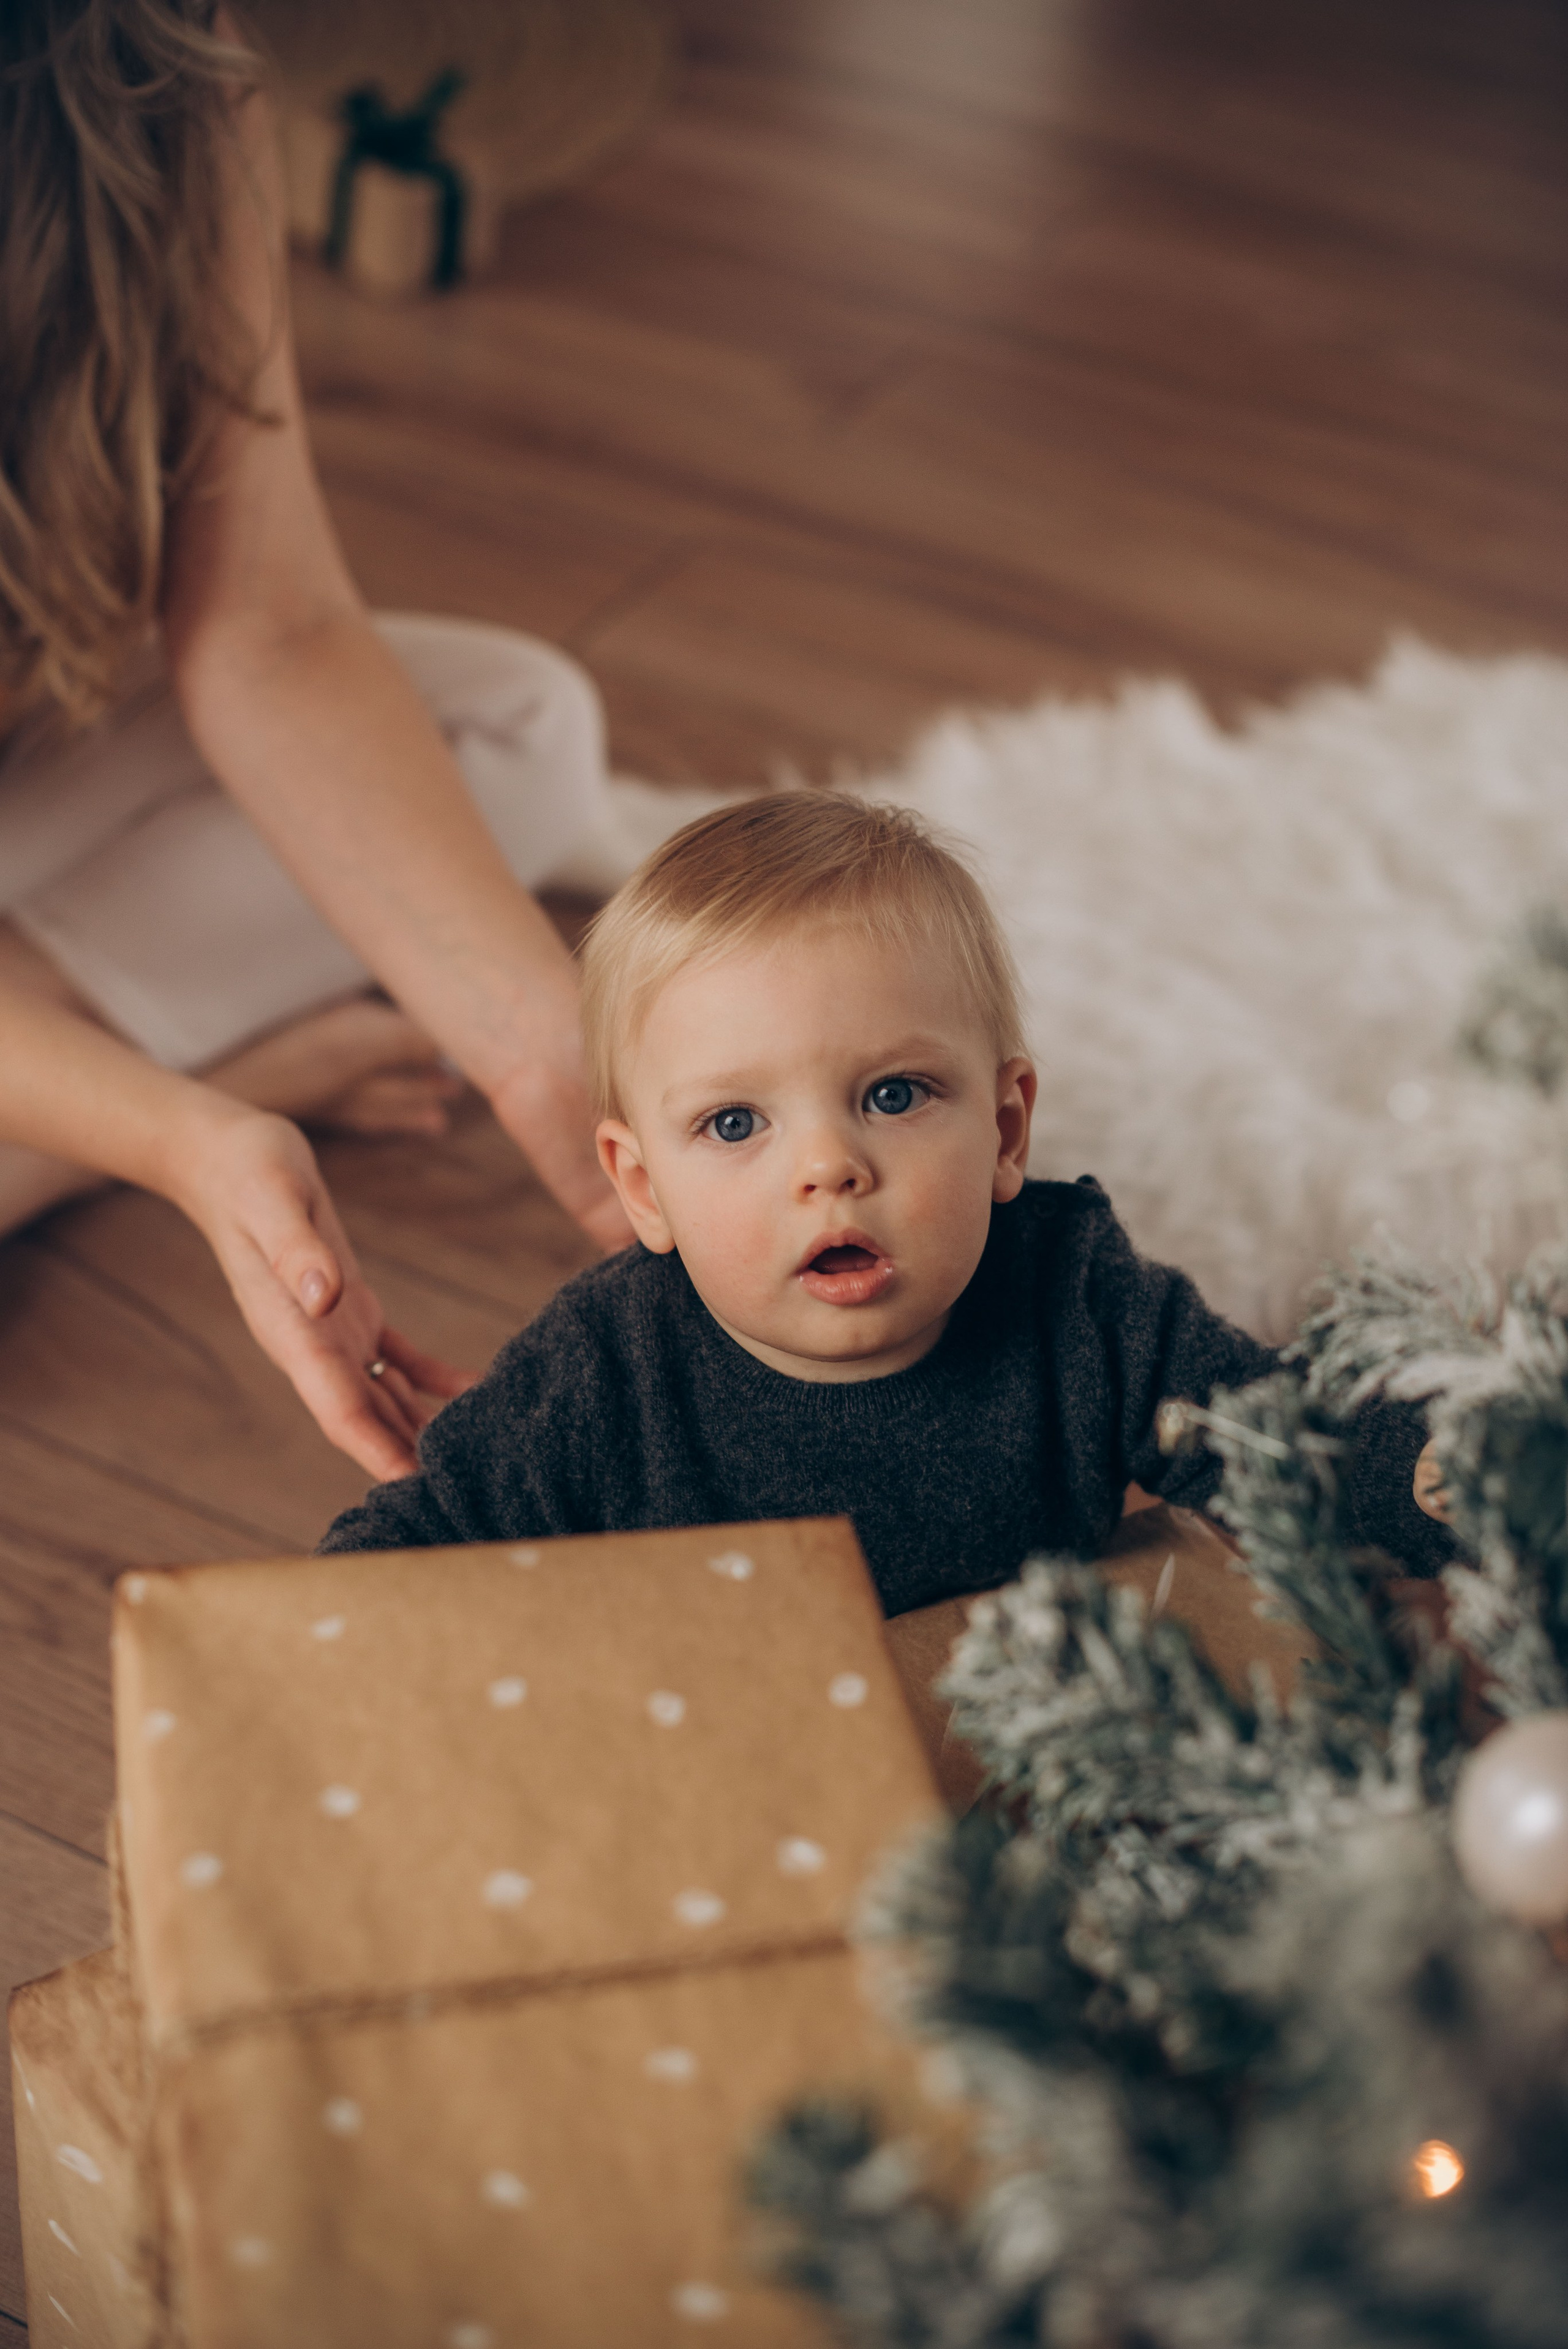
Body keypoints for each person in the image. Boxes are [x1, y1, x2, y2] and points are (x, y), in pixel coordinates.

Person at [0, 0, 633, 1482]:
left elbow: (274, 627)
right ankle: (165, 1069)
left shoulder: (154, 55)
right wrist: (193, 1133)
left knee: (522, 726)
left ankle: (62, 1059)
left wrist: (545, 1051)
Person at [320, 796, 1453, 1606]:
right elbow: (430, 1538)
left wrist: (1443, 1476)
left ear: (1006, 1130)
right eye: (734, 1124)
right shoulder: (608, 1371)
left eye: (893, 1094)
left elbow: (1277, 1446)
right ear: (641, 1188)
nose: (828, 1166)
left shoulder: (1078, 1303)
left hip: (1030, 1763)